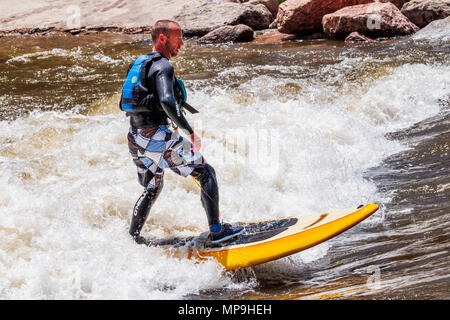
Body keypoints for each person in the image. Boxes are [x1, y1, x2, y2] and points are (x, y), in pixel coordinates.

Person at [120, 20, 244, 245]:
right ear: (162, 39)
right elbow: (167, 101)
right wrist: (189, 132)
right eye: (178, 39)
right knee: (206, 173)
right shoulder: (164, 66)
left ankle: (132, 239)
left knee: (152, 187)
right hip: (154, 136)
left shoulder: (139, 63)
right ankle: (217, 231)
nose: (182, 44)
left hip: (135, 137)